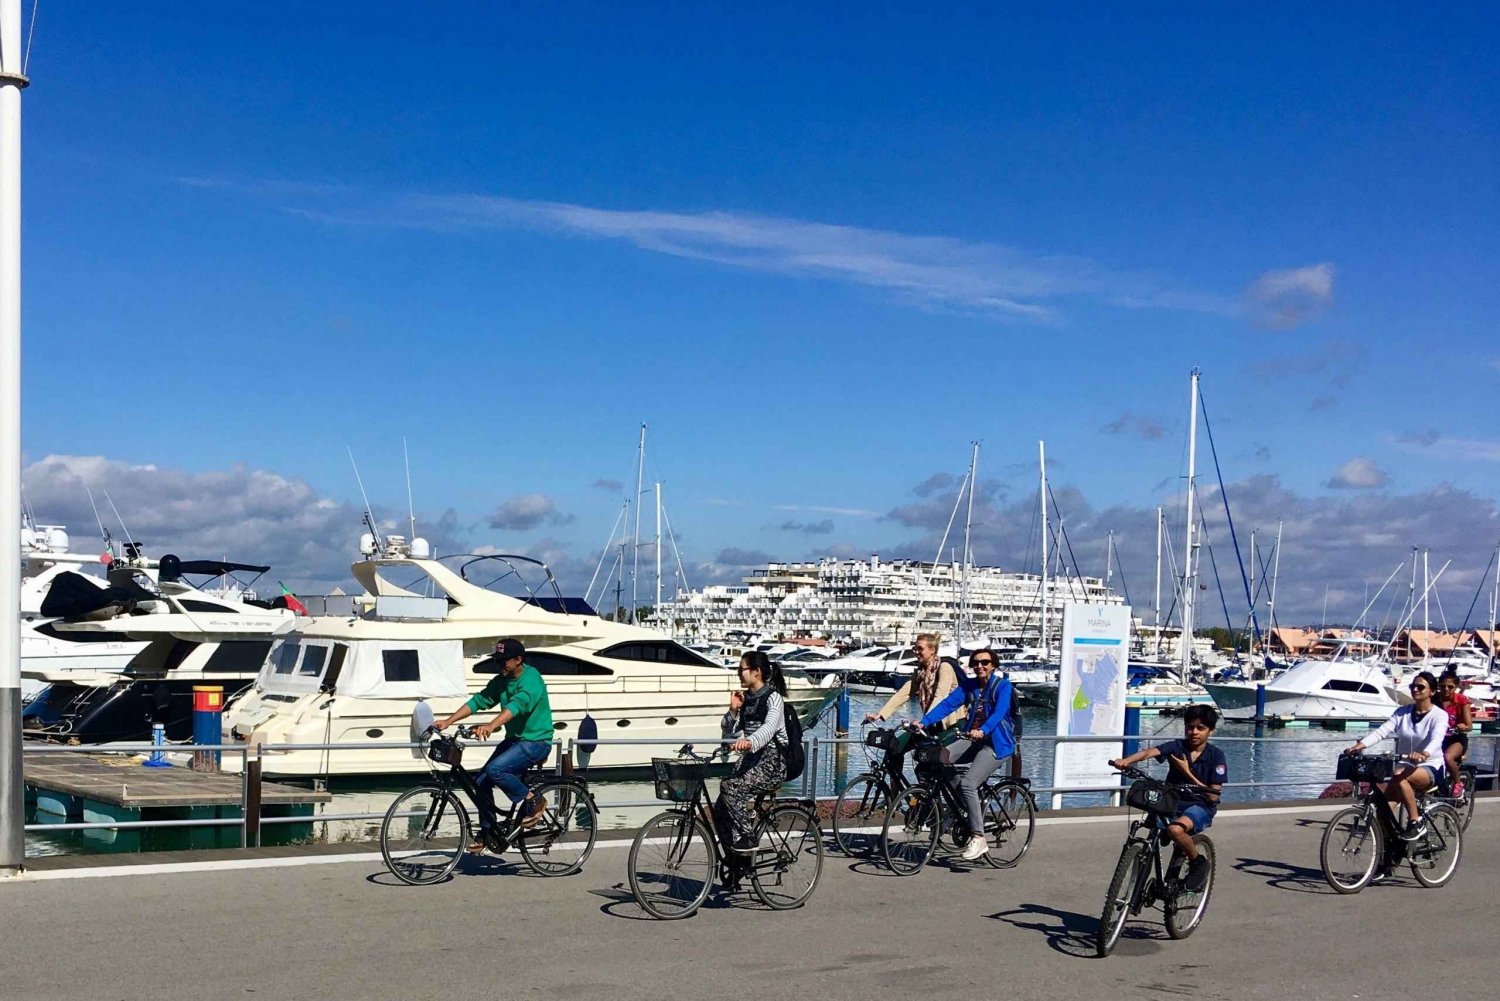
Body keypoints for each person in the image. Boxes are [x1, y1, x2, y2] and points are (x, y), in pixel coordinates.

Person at [436, 638, 554, 851]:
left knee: (495, 769)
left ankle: (534, 800)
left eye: (504, 661)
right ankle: (488, 832)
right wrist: (448, 721)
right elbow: (479, 700)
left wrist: (491, 726)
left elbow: (518, 705)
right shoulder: (502, 679)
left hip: (537, 741)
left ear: (519, 660)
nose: (499, 665)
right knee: (480, 781)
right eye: (497, 660)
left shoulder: (532, 679)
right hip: (515, 740)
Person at [908, 649, 1017, 861]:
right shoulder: (969, 686)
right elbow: (948, 704)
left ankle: (978, 837)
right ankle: (959, 806)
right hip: (971, 739)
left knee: (969, 783)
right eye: (975, 663)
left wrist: (983, 730)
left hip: (996, 744)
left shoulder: (1002, 687)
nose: (980, 666)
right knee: (939, 758)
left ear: (993, 665)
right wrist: (924, 722)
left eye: (985, 662)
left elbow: (999, 713)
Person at [1110, 704, 1225, 892]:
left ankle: (1198, 863)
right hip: (1172, 802)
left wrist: (1186, 772)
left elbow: (1213, 796)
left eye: (1200, 728)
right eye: (1190, 727)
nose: (1194, 732)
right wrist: (1125, 761)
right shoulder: (1177, 746)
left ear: (1210, 731)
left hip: (1200, 806)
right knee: (1150, 824)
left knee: (1175, 829)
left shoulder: (1216, 756)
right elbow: (1149, 752)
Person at [1344, 670, 1446, 845]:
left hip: (1430, 767)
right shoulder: (1403, 712)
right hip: (1405, 766)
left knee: (1399, 776)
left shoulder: (1439, 715)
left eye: (1420, 687)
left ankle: (1415, 821)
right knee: (1383, 812)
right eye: (1413, 686)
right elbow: (1382, 732)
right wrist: (1358, 746)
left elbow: (1437, 739)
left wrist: (1424, 754)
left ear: (1432, 691)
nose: (1415, 689)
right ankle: (1390, 855)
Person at [714, 651, 792, 856]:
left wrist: (749, 742)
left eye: (742, 669)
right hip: (751, 761)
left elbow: (769, 728)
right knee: (721, 809)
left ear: (756, 672)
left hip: (773, 763)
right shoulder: (746, 700)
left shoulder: (773, 698)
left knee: (729, 787)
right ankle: (734, 858)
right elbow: (728, 732)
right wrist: (733, 710)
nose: (739, 673)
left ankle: (748, 838)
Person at [863, 633, 962, 737]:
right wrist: (880, 714)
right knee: (898, 744)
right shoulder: (921, 671)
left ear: (932, 650)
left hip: (950, 723)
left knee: (937, 750)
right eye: (915, 649)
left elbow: (940, 697)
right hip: (929, 722)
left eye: (920, 649)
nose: (916, 652)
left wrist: (924, 722)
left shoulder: (944, 668)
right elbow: (903, 694)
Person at [1435, 670, 1472, 794]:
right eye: (1442, 686)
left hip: (1456, 738)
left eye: (1450, 687)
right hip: (1438, 737)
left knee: (1448, 757)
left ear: (1456, 687)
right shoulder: (1434, 699)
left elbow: (1469, 726)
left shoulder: (1461, 700)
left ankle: (1457, 782)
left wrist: (1462, 726)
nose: (1446, 689)